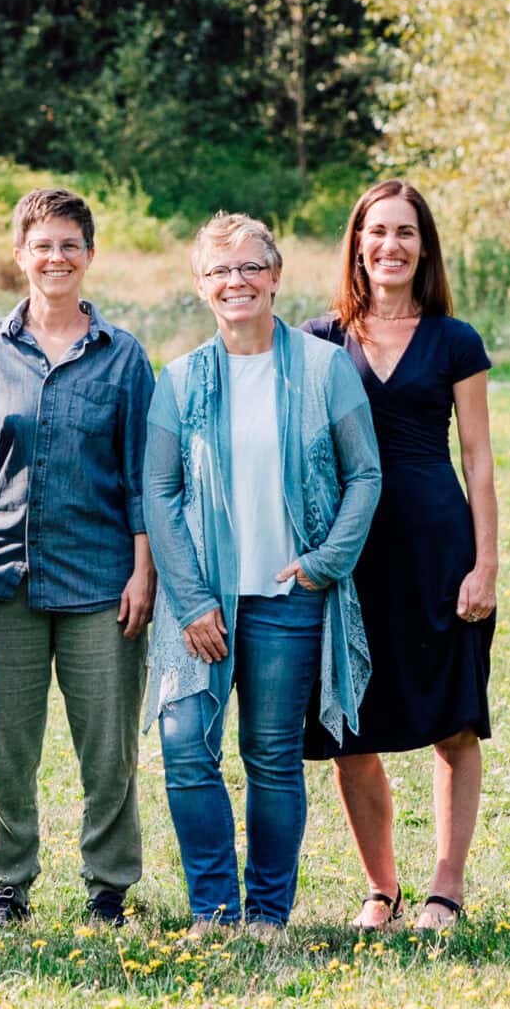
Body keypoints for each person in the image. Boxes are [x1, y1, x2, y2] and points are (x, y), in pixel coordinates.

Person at [143, 212, 380, 941]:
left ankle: (268, 916)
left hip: (288, 599)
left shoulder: (323, 367)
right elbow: (160, 490)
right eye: (219, 271)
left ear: (275, 277)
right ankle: (214, 912)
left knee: (271, 756)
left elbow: (364, 474)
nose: (235, 282)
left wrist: (322, 565)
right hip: (202, 602)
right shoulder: (179, 379)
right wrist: (188, 600)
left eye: (250, 268)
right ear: (200, 286)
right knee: (185, 744)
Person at [303, 178, 500, 933]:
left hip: (437, 547)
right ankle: (380, 890)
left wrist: (486, 563)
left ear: (425, 248)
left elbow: (478, 461)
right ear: (357, 242)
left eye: (405, 233)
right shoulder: (319, 339)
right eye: (376, 231)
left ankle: (445, 888)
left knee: (453, 720)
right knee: (352, 724)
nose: (390, 245)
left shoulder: (455, 341)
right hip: (349, 555)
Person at [0, 187, 155, 931]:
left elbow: (143, 472)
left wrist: (143, 571)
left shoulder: (123, 356)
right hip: (0, 575)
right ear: (20, 255)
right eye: (41, 245)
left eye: (69, 245)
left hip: (101, 580)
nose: (55, 258)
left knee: (107, 750)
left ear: (90, 255)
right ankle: (8, 883)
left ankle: (108, 886)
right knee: (5, 748)